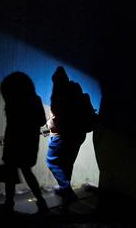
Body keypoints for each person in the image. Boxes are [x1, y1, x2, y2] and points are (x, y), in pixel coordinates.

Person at [0, 72, 49, 216]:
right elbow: (42, 121)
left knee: (10, 174)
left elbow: (12, 124)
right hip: (28, 142)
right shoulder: (34, 99)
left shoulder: (12, 100)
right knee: (26, 172)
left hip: (14, 141)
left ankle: (9, 204)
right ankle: (41, 203)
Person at [45, 66, 90, 210]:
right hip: (79, 135)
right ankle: (66, 201)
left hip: (63, 135)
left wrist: (50, 122)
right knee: (67, 164)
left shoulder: (60, 93)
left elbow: (59, 117)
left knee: (51, 161)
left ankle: (67, 191)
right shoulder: (76, 89)